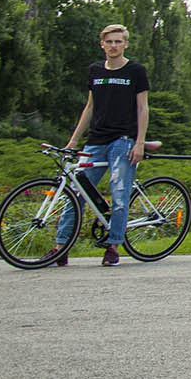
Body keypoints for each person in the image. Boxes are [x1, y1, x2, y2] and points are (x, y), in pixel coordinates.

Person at [56, 24, 150, 266]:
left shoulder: (136, 71)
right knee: (76, 193)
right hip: (95, 140)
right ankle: (60, 248)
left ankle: (113, 246)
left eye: (118, 41)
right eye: (109, 42)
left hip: (123, 140)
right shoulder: (95, 71)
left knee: (119, 194)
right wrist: (74, 140)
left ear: (126, 44)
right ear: (102, 44)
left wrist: (139, 142)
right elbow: (90, 107)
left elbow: (142, 108)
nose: (114, 46)